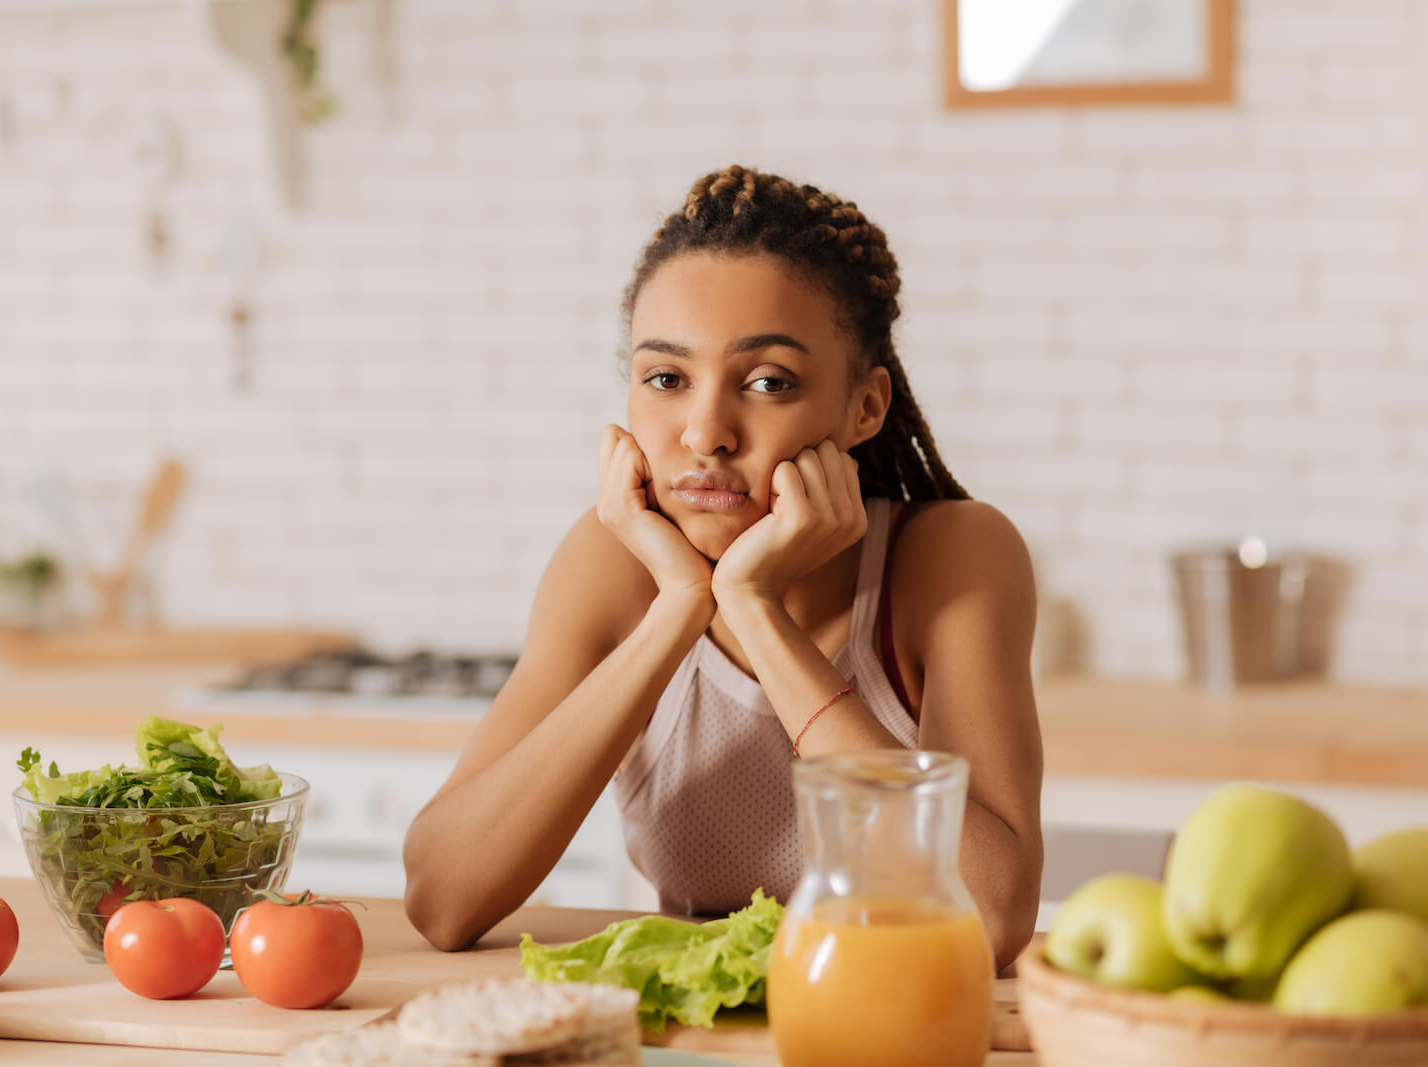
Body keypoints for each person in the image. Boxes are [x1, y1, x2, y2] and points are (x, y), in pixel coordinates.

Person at [403, 165, 1044, 969]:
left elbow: (987, 915)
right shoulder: (614, 567)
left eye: (767, 381)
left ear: (866, 407)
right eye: (666, 378)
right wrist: (678, 609)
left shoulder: (953, 558)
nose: (706, 432)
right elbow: (440, 897)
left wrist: (754, 608)